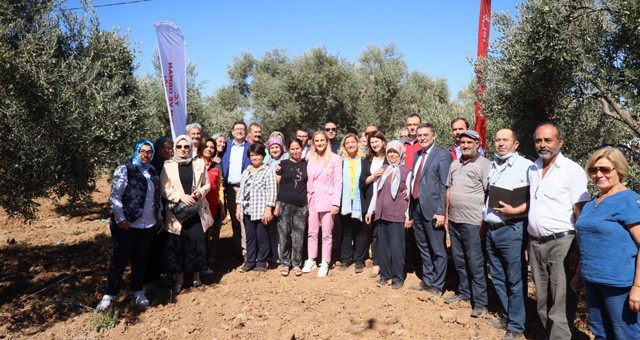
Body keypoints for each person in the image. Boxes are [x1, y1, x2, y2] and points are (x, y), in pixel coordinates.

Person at [571, 147, 640, 339]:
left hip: (620, 286)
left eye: (605, 169)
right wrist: (579, 274)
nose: (598, 174)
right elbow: (588, 243)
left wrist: (638, 287)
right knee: (600, 332)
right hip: (592, 281)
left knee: (626, 334)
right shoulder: (592, 203)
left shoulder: (630, 201)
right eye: (593, 170)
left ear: (619, 170)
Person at [528, 122, 589, 339]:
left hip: (563, 244)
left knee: (562, 302)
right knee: (542, 301)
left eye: (548, 140)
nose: (542, 145)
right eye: (538, 140)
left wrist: (579, 251)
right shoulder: (533, 168)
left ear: (560, 142)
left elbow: (581, 212)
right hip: (535, 243)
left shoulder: (572, 170)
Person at [96, 140, 162, 310]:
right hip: (127, 224)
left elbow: (157, 197)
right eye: (142, 151)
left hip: (147, 225)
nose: (145, 154)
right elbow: (115, 197)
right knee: (119, 259)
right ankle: (110, 294)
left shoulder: (152, 171)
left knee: (141, 259)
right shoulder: (124, 169)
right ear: (136, 151)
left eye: (149, 152)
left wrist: (159, 215)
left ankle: (138, 291)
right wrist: (121, 218)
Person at [483, 129, 532, 339]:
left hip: (512, 230)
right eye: (498, 140)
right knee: (499, 277)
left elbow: (535, 200)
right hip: (491, 231)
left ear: (516, 144)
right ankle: (506, 316)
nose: (501, 143)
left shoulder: (526, 166)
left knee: (515, 279)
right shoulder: (493, 165)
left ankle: (517, 327)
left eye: (505, 140)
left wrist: (516, 211)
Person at [444, 130, 490, 318]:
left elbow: (489, 195)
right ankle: (464, 293)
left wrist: (484, 222)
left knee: (476, 263)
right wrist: (447, 216)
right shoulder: (454, 164)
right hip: (454, 220)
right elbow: (449, 190)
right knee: (460, 260)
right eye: (462, 142)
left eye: (469, 142)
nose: (465, 145)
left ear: (477, 144)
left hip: (473, 222)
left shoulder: (484, 165)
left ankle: (480, 302)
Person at [161, 135, 214, 294]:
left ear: (191, 147)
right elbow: (164, 189)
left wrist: (200, 192)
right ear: (175, 149)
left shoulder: (198, 163)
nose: (183, 149)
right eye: (179, 147)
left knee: (197, 242)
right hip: (178, 212)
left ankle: (196, 278)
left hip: (196, 210)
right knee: (179, 244)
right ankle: (180, 280)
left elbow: (207, 185)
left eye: (186, 146)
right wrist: (180, 197)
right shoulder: (168, 166)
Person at [408, 123, 452, 297]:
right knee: (423, 247)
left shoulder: (443, 155)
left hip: (433, 210)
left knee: (438, 249)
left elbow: (444, 186)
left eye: (426, 135)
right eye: (419, 135)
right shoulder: (417, 154)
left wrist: (442, 211)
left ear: (434, 136)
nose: (422, 138)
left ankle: (438, 285)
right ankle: (427, 280)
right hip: (417, 207)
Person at [365, 140, 411, 289]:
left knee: (397, 247)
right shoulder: (382, 169)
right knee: (383, 246)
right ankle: (385, 275)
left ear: (400, 154)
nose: (392, 155)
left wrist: (408, 216)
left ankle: (398, 277)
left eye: (395, 153)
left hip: (397, 215)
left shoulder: (406, 171)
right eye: (390, 152)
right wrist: (371, 210)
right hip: (381, 214)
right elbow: (376, 192)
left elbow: (409, 197)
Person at [303, 131, 342, 277]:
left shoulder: (335, 159)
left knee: (327, 233)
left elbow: (339, 182)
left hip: (328, 199)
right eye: (316, 141)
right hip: (311, 199)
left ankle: (325, 261)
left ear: (327, 142)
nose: (319, 143)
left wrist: (335, 203)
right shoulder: (309, 157)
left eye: (322, 140)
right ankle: (311, 258)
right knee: (312, 232)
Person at [236, 143, 277, 272]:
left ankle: (261, 261)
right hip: (247, 210)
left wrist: (268, 209)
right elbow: (241, 190)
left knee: (262, 237)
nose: (254, 158)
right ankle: (250, 261)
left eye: (257, 155)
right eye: (252, 155)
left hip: (260, 211)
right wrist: (238, 206)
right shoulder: (246, 171)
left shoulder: (267, 171)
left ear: (263, 156)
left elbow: (272, 191)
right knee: (250, 237)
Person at [275, 139, 308, 277]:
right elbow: (276, 185)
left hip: (301, 205)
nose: (295, 151)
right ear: (288, 150)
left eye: (297, 148)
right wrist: (276, 203)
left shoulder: (307, 164)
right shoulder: (282, 164)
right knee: (284, 235)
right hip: (284, 203)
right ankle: (284, 263)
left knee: (298, 235)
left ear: (302, 149)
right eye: (292, 149)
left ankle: (296, 263)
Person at [221, 121, 252, 259]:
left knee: (245, 218)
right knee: (235, 219)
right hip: (230, 188)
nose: (239, 131)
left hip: (246, 188)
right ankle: (237, 249)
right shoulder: (225, 146)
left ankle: (247, 251)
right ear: (232, 131)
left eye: (242, 129)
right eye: (237, 129)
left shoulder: (250, 147)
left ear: (245, 132)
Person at [145, 136, 173, 286]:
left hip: (168, 208)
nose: (167, 150)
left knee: (162, 243)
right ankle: (148, 279)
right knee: (152, 244)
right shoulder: (152, 166)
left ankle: (157, 276)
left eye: (169, 148)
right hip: (153, 210)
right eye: (164, 147)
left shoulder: (170, 165)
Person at [360, 130, 388, 278]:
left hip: (386, 201)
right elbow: (362, 182)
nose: (375, 144)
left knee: (383, 232)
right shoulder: (366, 160)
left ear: (383, 142)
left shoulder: (390, 158)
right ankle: (376, 263)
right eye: (372, 142)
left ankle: (386, 262)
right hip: (369, 200)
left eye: (377, 141)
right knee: (373, 233)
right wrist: (373, 175)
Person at [338, 133, 367, 273]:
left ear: (357, 143)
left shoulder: (364, 160)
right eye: (347, 143)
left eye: (352, 142)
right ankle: (345, 258)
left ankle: (359, 260)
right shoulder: (341, 161)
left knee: (360, 232)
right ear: (344, 146)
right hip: (345, 201)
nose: (350, 145)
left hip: (360, 200)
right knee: (346, 231)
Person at [199, 137, 225, 268]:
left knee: (210, 234)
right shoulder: (196, 163)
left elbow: (220, 186)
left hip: (213, 204)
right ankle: (199, 264)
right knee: (200, 236)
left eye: (212, 147)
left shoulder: (217, 166)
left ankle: (209, 261)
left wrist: (222, 206)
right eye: (207, 146)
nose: (209, 149)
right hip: (199, 206)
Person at [265, 135, 288, 265]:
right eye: (272, 147)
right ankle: (275, 254)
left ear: (281, 148)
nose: (274, 150)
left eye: (277, 147)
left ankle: (285, 255)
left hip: (284, 199)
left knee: (285, 229)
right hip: (270, 200)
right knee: (273, 229)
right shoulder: (266, 163)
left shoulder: (287, 160)